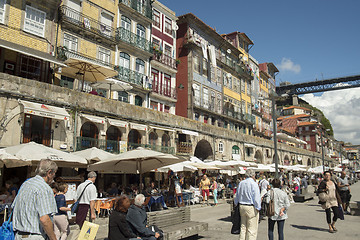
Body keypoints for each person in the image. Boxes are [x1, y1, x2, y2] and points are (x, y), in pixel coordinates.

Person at [12, 159, 58, 240]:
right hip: (34, 235)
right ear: (49, 173)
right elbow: (44, 219)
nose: (54, 177)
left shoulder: (26, 184)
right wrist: (53, 238)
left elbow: (14, 207)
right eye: (54, 174)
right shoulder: (44, 188)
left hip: (19, 235)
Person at [234, 169, 261, 240]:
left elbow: (237, 195)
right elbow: (256, 197)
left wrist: (236, 203)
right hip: (250, 207)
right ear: (253, 175)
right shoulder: (254, 184)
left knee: (243, 227)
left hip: (242, 206)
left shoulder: (241, 183)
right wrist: (258, 208)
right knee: (251, 229)